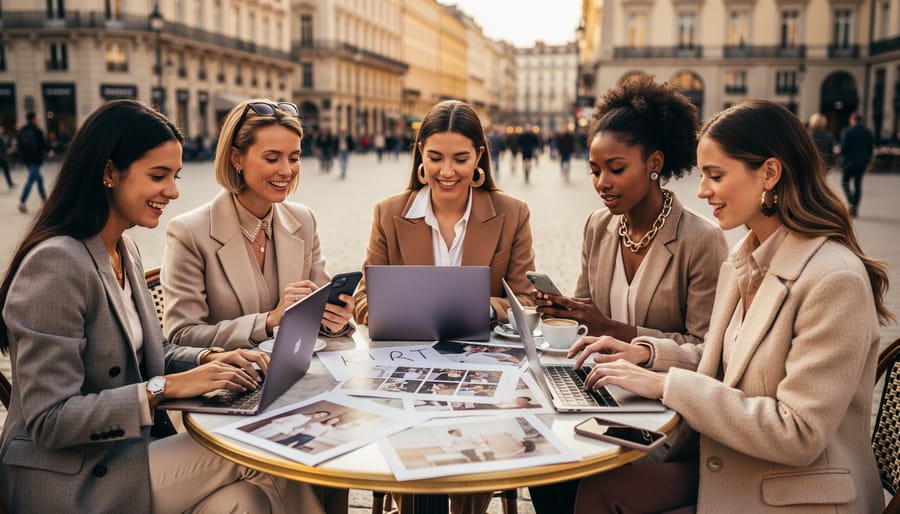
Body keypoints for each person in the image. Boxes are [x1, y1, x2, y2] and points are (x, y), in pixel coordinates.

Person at [0, 99, 322, 513]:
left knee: (246, 501)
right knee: (261, 448)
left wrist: (210, 359)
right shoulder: (56, 263)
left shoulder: (124, 249)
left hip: (127, 453)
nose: (173, 191)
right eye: (158, 176)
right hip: (69, 477)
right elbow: (50, 420)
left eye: (175, 176)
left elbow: (148, 353)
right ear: (109, 172)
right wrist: (162, 389)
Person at [573, 99, 892, 513]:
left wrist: (667, 386)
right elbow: (724, 360)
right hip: (737, 461)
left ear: (769, 174)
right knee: (589, 480)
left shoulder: (834, 279)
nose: (702, 190)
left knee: (599, 487)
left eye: (715, 175)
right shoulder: (746, 257)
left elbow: (800, 433)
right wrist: (645, 354)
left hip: (794, 492)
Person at [527, 74, 728, 514]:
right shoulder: (598, 226)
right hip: (602, 392)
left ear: (654, 162)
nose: (602, 182)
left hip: (667, 414)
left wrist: (615, 329)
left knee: (568, 472)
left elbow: (707, 352)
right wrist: (565, 312)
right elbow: (587, 321)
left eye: (616, 169)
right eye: (595, 170)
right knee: (541, 456)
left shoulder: (700, 240)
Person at [163, 99, 355, 354]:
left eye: (294, 158)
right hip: (228, 376)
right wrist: (268, 321)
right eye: (272, 158)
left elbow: (321, 309)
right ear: (236, 158)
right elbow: (181, 336)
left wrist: (335, 321)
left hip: (298, 370)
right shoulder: (189, 232)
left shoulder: (304, 220)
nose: (287, 171)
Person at [352, 99, 536, 327]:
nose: (447, 172)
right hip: (409, 346)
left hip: (482, 348)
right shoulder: (388, 214)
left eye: (461, 159)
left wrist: (482, 308)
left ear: (478, 156)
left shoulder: (513, 214)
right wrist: (407, 311)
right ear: (421, 152)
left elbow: (527, 300)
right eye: (435, 158)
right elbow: (363, 300)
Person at [839, 111, 874, 218]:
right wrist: (867, 160)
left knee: (844, 182)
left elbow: (843, 148)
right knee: (858, 185)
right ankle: (855, 206)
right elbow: (870, 149)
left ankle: (851, 201)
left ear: (853, 120)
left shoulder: (848, 131)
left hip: (849, 162)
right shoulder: (867, 132)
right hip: (862, 163)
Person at [16, 112, 52, 213]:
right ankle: (22, 202)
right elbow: (43, 143)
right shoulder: (37, 130)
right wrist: (49, 151)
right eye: (37, 117)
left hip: (27, 159)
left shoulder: (22, 130)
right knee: (31, 180)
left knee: (39, 179)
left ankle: (45, 200)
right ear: (33, 119)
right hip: (35, 159)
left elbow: (19, 145)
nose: (38, 119)